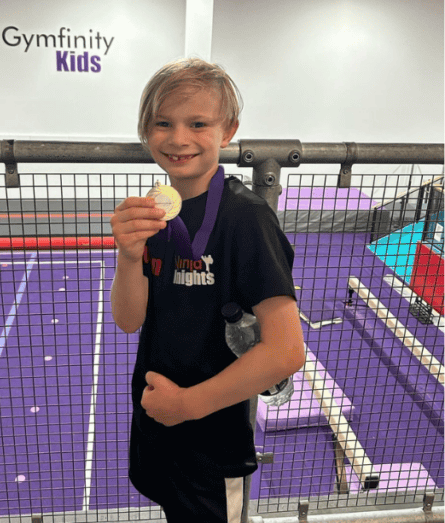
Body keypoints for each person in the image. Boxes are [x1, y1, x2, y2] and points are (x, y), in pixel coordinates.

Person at [109, 58, 305, 522]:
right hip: (159, 421)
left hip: (212, 435)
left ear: (228, 130)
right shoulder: (154, 212)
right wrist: (128, 255)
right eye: (163, 123)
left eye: (197, 123)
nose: (178, 138)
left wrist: (188, 404)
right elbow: (128, 319)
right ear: (146, 130)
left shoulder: (247, 219)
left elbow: (285, 352)